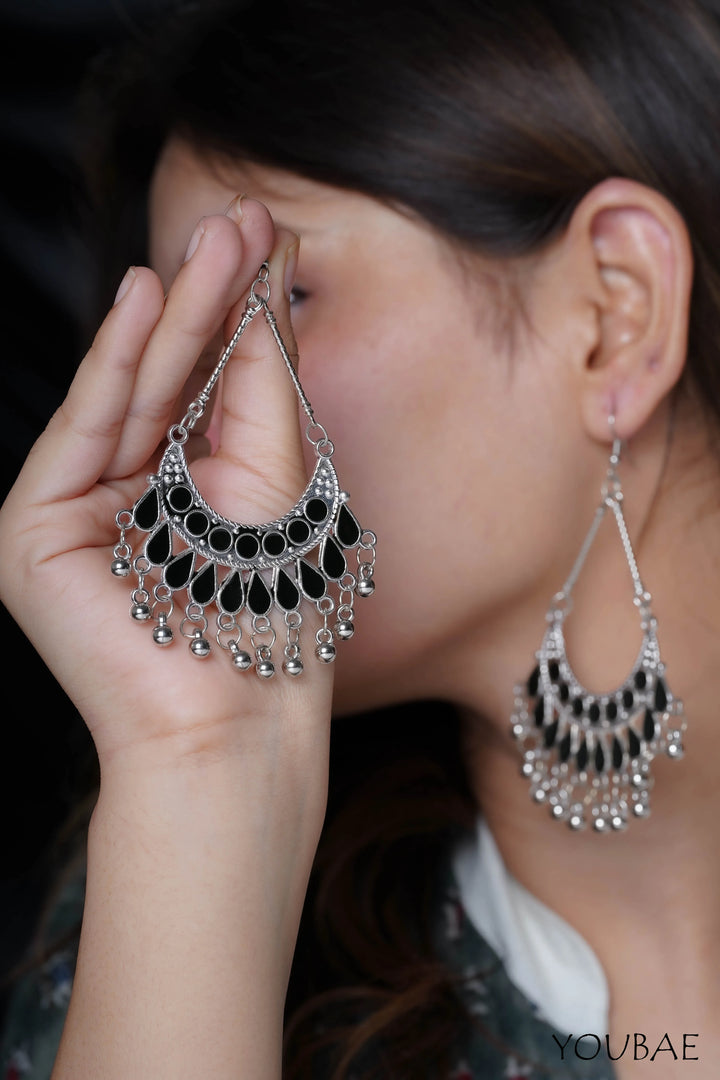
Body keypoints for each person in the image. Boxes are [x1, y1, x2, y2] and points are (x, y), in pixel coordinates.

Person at [1, 0, 719, 1076]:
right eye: (180, 341)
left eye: (279, 301)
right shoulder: (163, 938)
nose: (191, 425)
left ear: (615, 313)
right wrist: (203, 765)